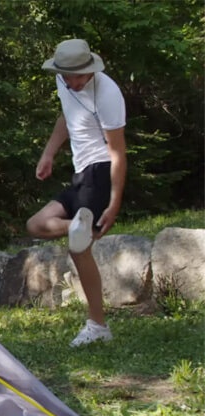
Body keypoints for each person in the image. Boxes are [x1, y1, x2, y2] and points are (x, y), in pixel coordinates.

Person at [26, 39, 127, 347]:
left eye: (81, 76)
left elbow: (118, 153)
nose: (75, 82)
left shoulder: (108, 94)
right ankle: (77, 226)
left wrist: (114, 201)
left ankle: (98, 326)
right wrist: (48, 153)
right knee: (36, 224)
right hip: (80, 175)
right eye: (70, 76)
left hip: (99, 171)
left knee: (78, 249)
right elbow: (67, 117)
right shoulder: (64, 81)